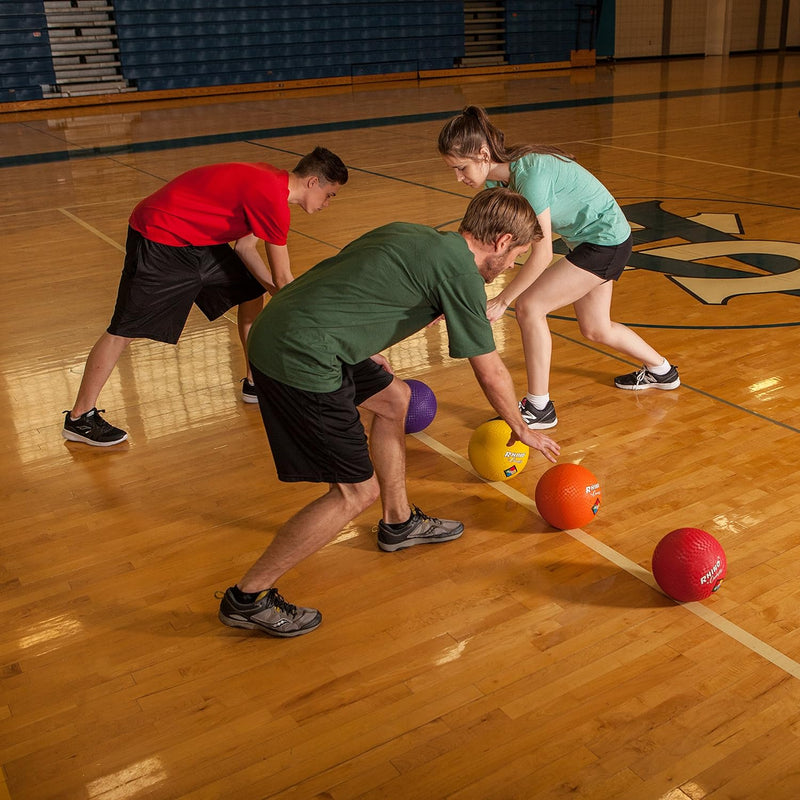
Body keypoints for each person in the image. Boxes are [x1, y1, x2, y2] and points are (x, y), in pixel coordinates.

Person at [217, 187, 560, 637]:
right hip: (300, 353)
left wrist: (365, 341)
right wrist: (521, 426)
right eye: (516, 254)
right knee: (354, 494)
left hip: (300, 326)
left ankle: (398, 524)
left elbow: (348, 277)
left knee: (395, 400)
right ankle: (248, 597)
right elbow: (490, 370)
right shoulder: (462, 276)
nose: (513, 265)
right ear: (499, 242)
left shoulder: (414, 235)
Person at [62, 148, 349, 446]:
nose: (327, 203)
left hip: (197, 239)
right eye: (330, 195)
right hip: (160, 235)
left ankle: (255, 382)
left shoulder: (272, 184)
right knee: (125, 329)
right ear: (313, 182)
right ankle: (79, 417)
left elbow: (245, 249)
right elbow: (284, 279)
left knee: (252, 292)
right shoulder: (271, 197)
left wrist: (279, 295)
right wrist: (313, 320)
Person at [437, 106, 680, 430]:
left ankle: (539, 407)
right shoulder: (495, 188)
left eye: (461, 167)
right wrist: (458, 292)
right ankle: (663, 371)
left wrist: (503, 301)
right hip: (594, 242)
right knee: (596, 328)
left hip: (606, 242)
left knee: (529, 307)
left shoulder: (530, 175)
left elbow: (542, 252)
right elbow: (489, 251)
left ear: (483, 154)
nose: (459, 177)